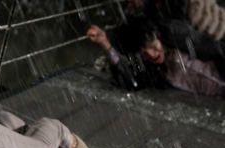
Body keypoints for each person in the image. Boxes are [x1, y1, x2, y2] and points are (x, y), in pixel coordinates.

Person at [87, 17, 225, 97]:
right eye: (145, 54)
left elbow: (212, 43)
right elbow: (132, 83)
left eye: (153, 46)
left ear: (157, 35)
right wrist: (105, 44)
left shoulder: (178, 37)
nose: (153, 55)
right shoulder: (155, 72)